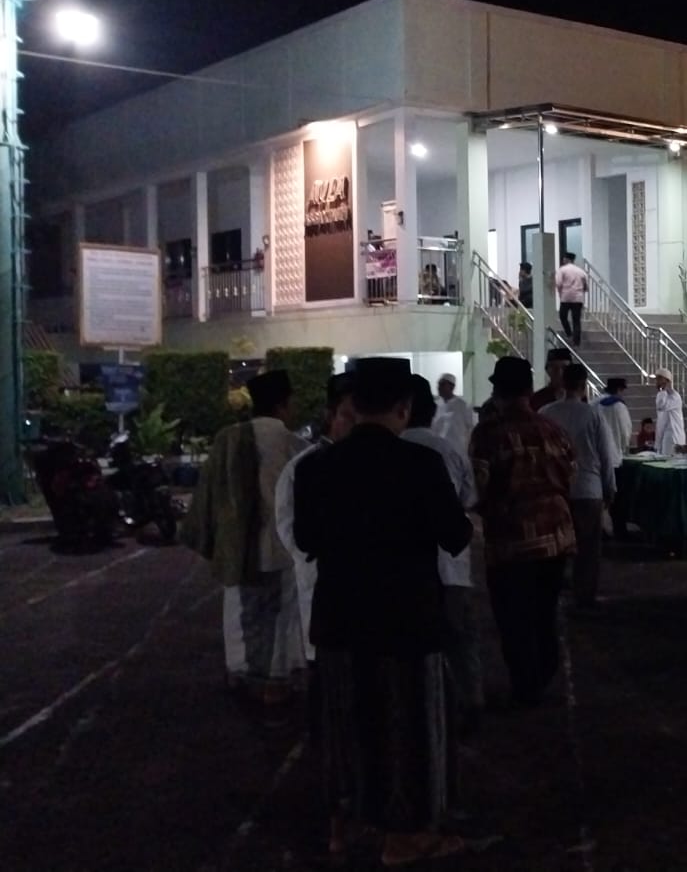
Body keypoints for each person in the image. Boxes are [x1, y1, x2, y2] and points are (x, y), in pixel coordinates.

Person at [292, 357, 474, 865]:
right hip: (407, 618)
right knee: (408, 728)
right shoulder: (420, 463)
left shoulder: (315, 467)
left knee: (344, 724)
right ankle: (404, 835)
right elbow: (455, 536)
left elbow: (306, 539)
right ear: (404, 407)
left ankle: (343, 825)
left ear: (353, 405)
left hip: (339, 617)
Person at [181, 369, 309, 704]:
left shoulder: (227, 440)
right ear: (283, 405)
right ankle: (274, 682)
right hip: (284, 550)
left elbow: (207, 494)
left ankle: (243, 673)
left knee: (241, 614)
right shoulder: (296, 446)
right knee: (280, 618)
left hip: (239, 547)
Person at [470, 357, 578, 708]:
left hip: (511, 540)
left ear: (497, 392)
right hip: (555, 536)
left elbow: (478, 486)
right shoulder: (552, 428)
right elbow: (570, 472)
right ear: (529, 390)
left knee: (513, 616)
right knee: (545, 611)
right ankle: (544, 672)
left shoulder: (488, 434)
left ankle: (526, 684)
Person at [402, 374, 484, 732]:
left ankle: (418, 711)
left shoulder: (390, 449)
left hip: (404, 571)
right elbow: (469, 499)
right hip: (451, 567)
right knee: (459, 640)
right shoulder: (447, 451)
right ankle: (470, 703)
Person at [273, 372, 357, 666]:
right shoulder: (304, 467)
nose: (357, 425)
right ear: (330, 416)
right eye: (348, 416)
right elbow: (289, 530)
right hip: (323, 590)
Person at [540, 363, 618, 609]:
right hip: (587, 489)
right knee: (588, 550)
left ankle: (553, 595)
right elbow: (605, 455)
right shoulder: (593, 415)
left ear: (562, 384)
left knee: (555, 547)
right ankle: (584, 597)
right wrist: (609, 488)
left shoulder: (545, 413)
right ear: (584, 386)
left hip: (554, 490)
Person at [431, 373, 473, 456]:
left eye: (442, 384)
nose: (439, 387)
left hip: (457, 450)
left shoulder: (463, 405)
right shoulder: (435, 405)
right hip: (439, 450)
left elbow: (470, 428)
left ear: (452, 387)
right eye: (439, 384)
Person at [554, 252, 588, 346]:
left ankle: (569, 333)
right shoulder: (581, 272)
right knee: (576, 320)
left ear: (566, 259)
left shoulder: (562, 270)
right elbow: (585, 286)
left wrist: (560, 292)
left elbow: (558, 283)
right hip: (578, 298)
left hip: (566, 297)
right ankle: (576, 341)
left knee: (562, 316)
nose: (563, 260)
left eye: (564, 258)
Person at [653, 368, 686, 456]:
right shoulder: (662, 394)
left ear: (667, 381)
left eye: (659, 379)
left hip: (673, 436)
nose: (657, 382)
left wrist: (662, 390)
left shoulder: (674, 396)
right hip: (664, 435)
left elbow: (662, 406)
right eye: (656, 379)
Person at [597, 377, 632, 461]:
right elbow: (625, 430)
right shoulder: (619, 406)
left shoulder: (594, 403)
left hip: (596, 453)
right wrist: (625, 445)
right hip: (614, 453)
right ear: (619, 389)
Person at [530, 347, 572, 412]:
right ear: (547, 370)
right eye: (554, 367)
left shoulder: (578, 397)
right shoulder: (538, 398)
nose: (559, 372)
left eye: (564, 368)